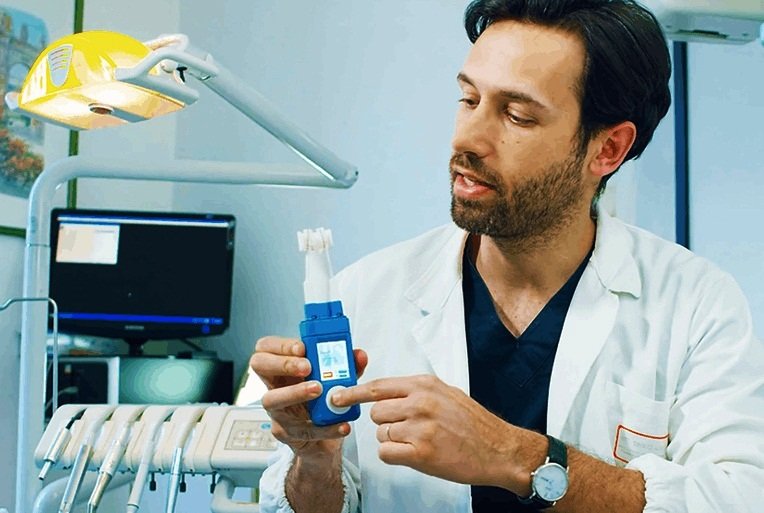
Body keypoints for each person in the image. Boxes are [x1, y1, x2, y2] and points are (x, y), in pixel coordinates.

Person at [251, 1, 764, 512]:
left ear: (608, 149)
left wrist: (516, 456)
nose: (467, 138)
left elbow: (738, 497)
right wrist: (314, 460)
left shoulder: (694, 305)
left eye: (517, 116)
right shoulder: (365, 292)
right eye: (468, 99)